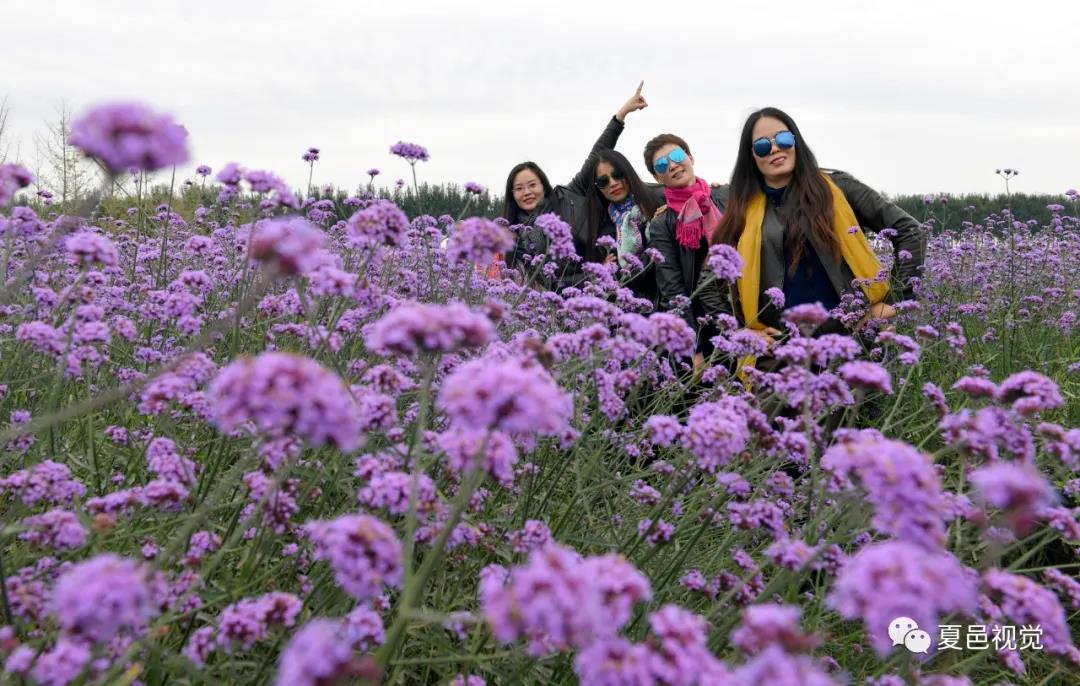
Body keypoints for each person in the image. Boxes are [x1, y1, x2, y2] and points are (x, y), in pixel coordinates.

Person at [700, 106, 926, 357]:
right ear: (751, 156)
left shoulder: (838, 187)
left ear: (796, 141)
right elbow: (709, 280)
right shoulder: (742, 209)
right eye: (763, 146)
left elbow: (910, 231)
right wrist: (740, 332)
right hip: (779, 354)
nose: (775, 149)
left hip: (850, 343)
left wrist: (894, 301)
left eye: (783, 139)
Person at [502, 83, 649, 289]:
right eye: (518, 188)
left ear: (543, 185)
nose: (527, 192)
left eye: (532, 184)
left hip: (615, 281)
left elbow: (597, 155)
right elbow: (550, 282)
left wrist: (621, 115)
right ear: (512, 195)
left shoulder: (567, 196)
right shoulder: (517, 236)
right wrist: (595, 273)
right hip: (575, 303)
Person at [644, 133, 729, 356]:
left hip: (744, 306)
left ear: (690, 158)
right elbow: (673, 289)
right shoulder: (662, 223)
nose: (672, 165)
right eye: (662, 165)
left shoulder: (725, 196)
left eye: (677, 155)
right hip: (707, 326)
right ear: (658, 178)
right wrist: (694, 348)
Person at [584, 147, 664, 300]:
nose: (613, 183)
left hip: (667, 299)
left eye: (617, 175)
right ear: (597, 187)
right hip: (634, 308)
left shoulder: (657, 200)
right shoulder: (604, 231)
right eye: (603, 181)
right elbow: (620, 282)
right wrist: (605, 271)